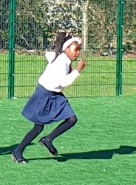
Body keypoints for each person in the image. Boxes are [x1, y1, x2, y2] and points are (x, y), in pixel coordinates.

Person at [12, 32, 85, 163]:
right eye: (76, 49)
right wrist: (77, 71)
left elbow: (49, 55)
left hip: (56, 95)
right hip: (44, 94)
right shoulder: (61, 62)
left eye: (79, 49)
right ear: (67, 49)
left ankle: (48, 139)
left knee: (72, 119)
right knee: (38, 128)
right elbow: (63, 82)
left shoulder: (63, 58)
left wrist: (66, 38)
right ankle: (18, 152)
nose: (78, 53)